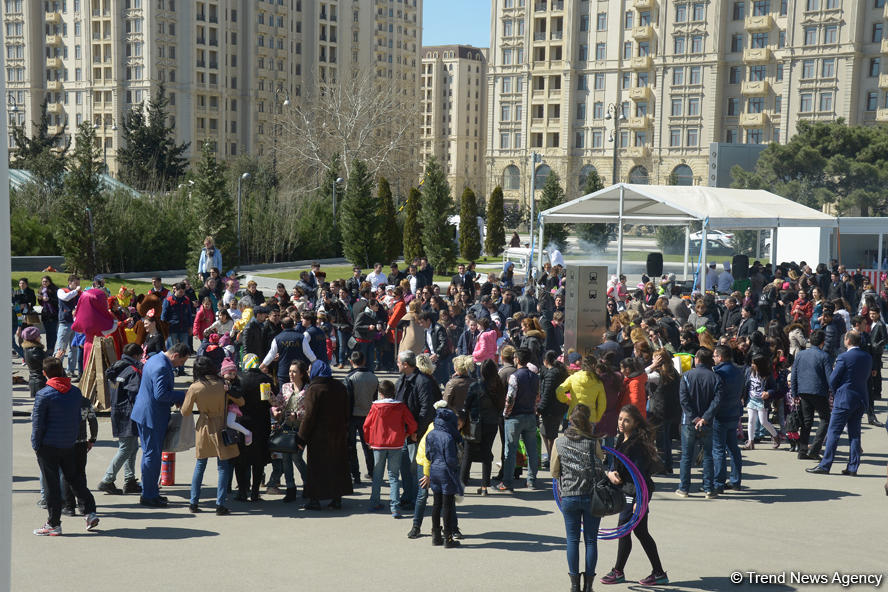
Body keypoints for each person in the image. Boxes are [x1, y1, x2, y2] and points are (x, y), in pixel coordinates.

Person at [600, 404, 669, 587]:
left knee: (624, 530)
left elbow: (640, 475)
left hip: (637, 491)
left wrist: (640, 501)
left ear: (635, 422)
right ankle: (658, 572)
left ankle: (618, 571)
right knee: (639, 531)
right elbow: (617, 463)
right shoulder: (622, 439)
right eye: (620, 419)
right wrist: (611, 472)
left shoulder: (637, 444)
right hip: (629, 490)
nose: (621, 423)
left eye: (626, 420)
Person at [31, 357, 100, 535]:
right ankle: (90, 511)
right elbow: (78, 419)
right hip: (68, 444)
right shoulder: (75, 392)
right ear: (62, 371)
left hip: (48, 446)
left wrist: (36, 445)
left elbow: (38, 424)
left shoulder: (43, 394)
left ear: (45, 373)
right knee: (75, 479)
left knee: (51, 485)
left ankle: (54, 523)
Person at [551, 404, 605, 592]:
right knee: (591, 540)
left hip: (569, 496)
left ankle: (574, 584)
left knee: (572, 540)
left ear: (570, 420)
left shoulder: (559, 442)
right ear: (588, 421)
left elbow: (554, 471)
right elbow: (601, 461)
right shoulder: (593, 442)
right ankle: (588, 584)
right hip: (592, 496)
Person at [129, 342, 189, 507]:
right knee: (152, 455)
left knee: (151, 454)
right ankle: (148, 495)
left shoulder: (156, 359)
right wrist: (181, 395)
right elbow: (161, 394)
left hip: (148, 414)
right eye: (182, 361)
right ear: (175, 355)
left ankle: (150, 491)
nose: (181, 365)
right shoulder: (161, 366)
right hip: (152, 416)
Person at [807, 332, 872, 476]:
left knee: (833, 432)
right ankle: (853, 467)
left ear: (848, 340)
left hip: (844, 398)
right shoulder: (867, 357)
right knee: (855, 434)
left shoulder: (844, 357)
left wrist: (836, 392)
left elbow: (833, 379)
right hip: (860, 397)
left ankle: (825, 464)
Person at [182, 356, 240, 514]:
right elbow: (241, 401)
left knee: (200, 465)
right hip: (221, 424)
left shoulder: (195, 387)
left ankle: (193, 502)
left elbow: (185, 411)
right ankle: (220, 504)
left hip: (204, 426)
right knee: (223, 466)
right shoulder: (222, 384)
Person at [298, 360, 354, 510]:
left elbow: (309, 416)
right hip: (338, 433)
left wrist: (301, 437)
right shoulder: (339, 386)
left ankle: (314, 500)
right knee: (336, 466)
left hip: (319, 437)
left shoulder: (314, 389)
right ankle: (336, 498)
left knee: (316, 468)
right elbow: (346, 411)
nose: (309, 373)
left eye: (310, 370)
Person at [363, 380, 418, 517]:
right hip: (396, 444)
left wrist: (368, 440)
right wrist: (407, 434)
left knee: (377, 475)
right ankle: (395, 507)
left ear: (380, 394)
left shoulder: (375, 407)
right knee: (393, 476)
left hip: (378, 444)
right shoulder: (400, 406)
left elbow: (366, 426)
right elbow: (412, 424)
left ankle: (374, 502)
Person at [97, 342, 144, 495]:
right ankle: (107, 479)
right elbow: (135, 393)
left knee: (132, 446)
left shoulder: (117, 367)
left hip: (118, 410)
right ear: (136, 356)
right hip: (128, 412)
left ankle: (129, 479)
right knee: (126, 447)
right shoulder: (132, 370)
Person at [676, 347, 723, 498]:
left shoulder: (687, 376)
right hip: (707, 422)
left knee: (686, 456)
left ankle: (684, 488)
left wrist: (694, 417)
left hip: (688, 422)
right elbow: (717, 401)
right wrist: (705, 418)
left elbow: (683, 399)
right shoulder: (715, 378)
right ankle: (708, 488)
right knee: (708, 455)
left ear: (697, 359)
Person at [229, 354, 273, 502]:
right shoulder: (265, 379)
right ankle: (255, 492)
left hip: (241, 422)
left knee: (240, 458)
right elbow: (268, 401)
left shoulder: (239, 378)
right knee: (258, 459)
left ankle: (242, 491)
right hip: (261, 423)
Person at [498, 347, 541, 491]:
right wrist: (534, 411)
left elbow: (510, 397)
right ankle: (531, 480)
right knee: (532, 450)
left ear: (517, 359)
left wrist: (506, 413)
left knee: (510, 450)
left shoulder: (515, 376)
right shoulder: (535, 376)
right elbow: (537, 397)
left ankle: (507, 482)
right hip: (530, 415)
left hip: (515, 417)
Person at [460, 359, 505, 495]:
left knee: (468, 453)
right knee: (486, 453)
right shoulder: (499, 386)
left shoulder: (476, 386)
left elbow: (466, 405)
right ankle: (485, 486)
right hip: (491, 423)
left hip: (474, 423)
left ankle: (461, 485)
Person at [424, 405, 464, 548]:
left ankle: (436, 535)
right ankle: (448, 538)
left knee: (436, 503)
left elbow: (428, 454)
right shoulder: (448, 437)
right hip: (447, 473)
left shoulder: (431, 434)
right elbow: (451, 460)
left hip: (434, 470)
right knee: (447, 506)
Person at [791, 330, 832, 460]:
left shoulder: (801, 355)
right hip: (819, 392)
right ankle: (814, 449)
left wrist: (794, 392)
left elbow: (794, 375)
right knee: (825, 419)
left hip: (803, 391)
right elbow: (830, 377)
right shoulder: (824, 356)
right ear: (822, 343)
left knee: (806, 422)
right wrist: (833, 392)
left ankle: (802, 451)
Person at [712, 345, 745, 493]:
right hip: (734, 413)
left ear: (721, 357)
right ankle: (736, 480)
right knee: (733, 448)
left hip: (721, 414)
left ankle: (719, 483)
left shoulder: (719, 373)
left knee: (718, 449)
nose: (713, 358)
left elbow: (716, 395)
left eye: (715, 356)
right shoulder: (738, 371)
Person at [344, 350, 379, 485]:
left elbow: (348, 400)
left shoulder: (350, 378)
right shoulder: (373, 377)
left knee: (351, 447)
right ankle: (371, 472)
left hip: (353, 416)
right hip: (369, 415)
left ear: (351, 362)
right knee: (369, 446)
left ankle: (355, 475)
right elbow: (375, 398)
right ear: (364, 361)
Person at [537, 350, 569, 467]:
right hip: (560, 407)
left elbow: (547, 393)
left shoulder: (552, 374)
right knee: (548, 432)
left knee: (550, 434)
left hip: (551, 409)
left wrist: (540, 408)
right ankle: (552, 456)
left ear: (546, 361)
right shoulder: (561, 371)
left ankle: (553, 458)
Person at [742, 357, 781, 450]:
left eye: (754, 364)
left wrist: (768, 393)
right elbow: (745, 384)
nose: (752, 365)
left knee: (763, 421)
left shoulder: (767, 374)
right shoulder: (748, 371)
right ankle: (750, 442)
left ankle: (776, 436)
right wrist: (742, 396)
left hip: (762, 401)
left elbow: (774, 388)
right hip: (751, 399)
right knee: (751, 420)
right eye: (751, 363)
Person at [21, 326, 47, 398]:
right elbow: (47, 363)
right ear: (34, 338)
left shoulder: (27, 349)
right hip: (39, 382)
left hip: (33, 381)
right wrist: (56, 358)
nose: (40, 337)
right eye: (38, 336)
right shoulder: (36, 350)